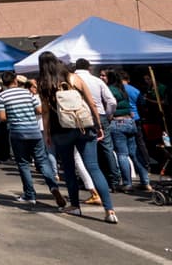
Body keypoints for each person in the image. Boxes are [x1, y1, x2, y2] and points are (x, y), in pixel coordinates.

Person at [38, 53, 117, 224]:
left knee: (68, 169)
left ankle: (75, 206)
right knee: (94, 167)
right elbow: (92, 103)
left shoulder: (44, 83)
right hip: (84, 127)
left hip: (61, 130)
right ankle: (109, 210)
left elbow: (45, 112)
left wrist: (47, 134)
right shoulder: (73, 78)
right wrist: (98, 125)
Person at [0, 70, 64, 207]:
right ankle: (54, 188)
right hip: (34, 131)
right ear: (16, 81)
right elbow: (40, 110)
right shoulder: (28, 93)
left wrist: (15, 116)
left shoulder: (2, 96)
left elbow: (2, 117)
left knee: (23, 164)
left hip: (17, 133)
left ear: (3, 83)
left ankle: (30, 195)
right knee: (42, 161)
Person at [74, 59, 119, 191]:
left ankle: (87, 180)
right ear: (88, 68)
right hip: (100, 114)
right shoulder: (97, 80)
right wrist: (108, 114)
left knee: (83, 149)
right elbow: (111, 101)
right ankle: (114, 180)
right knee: (107, 148)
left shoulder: (71, 80)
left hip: (80, 116)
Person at [106, 70, 150, 192]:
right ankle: (145, 181)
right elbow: (141, 103)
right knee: (135, 153)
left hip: (118, 122)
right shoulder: (126, 89)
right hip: (131, 121)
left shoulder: (111, 90)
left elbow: (110, 105)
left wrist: (109, 116)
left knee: (122, 154)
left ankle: (127, 183)